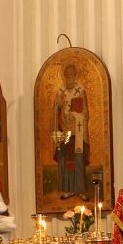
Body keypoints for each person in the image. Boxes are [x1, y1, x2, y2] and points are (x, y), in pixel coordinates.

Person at [53, 63, 90, 200]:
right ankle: (67, 190)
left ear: (75, 75)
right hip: (64, 130)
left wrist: (76, 115)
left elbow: (85, 112)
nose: (69, 77)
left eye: (71, 74)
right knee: (65, 160)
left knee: (78, 159)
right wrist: (60, 113)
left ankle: (80, 190)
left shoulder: (80, 90)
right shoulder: (60, 92)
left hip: (77, 129)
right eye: (67, 74)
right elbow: (56, 111)